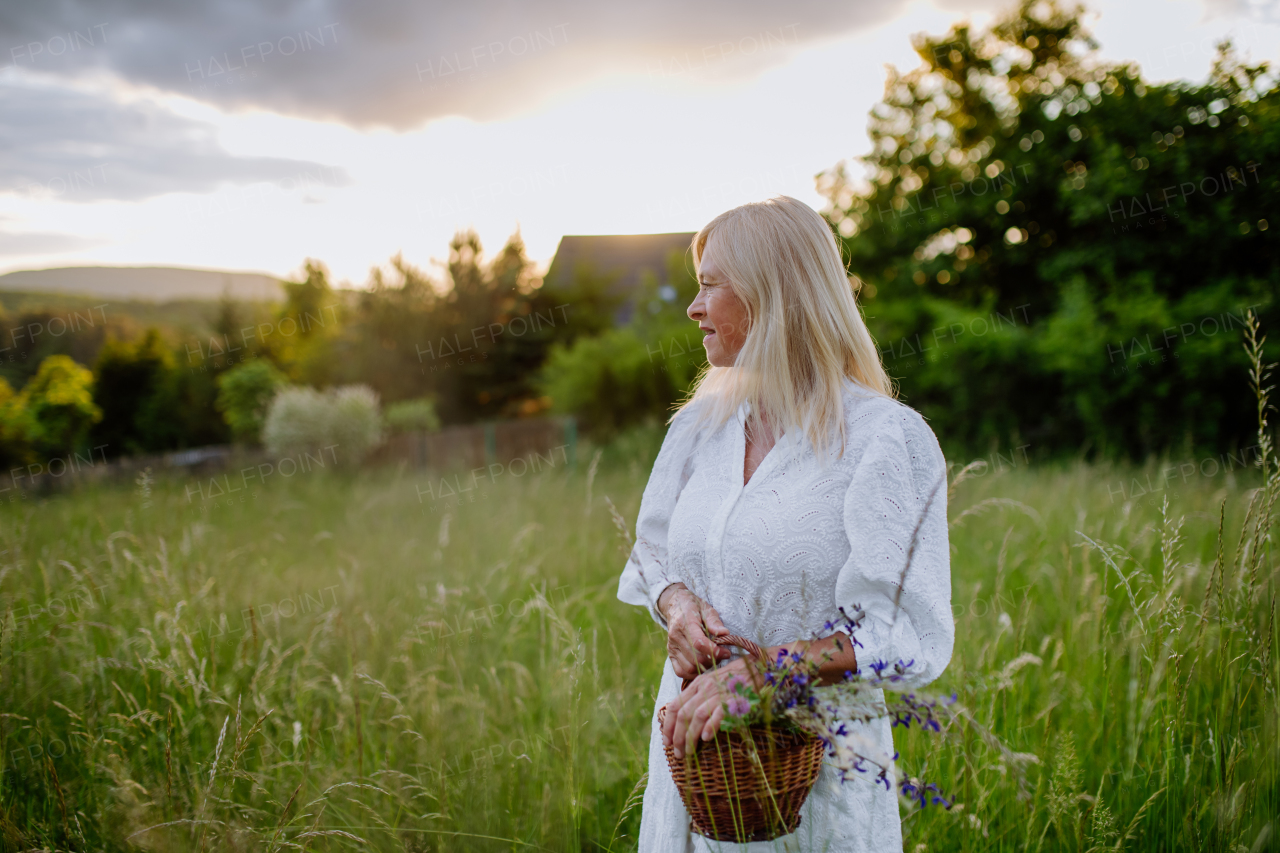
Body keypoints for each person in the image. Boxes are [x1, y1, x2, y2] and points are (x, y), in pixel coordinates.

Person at [617, 196, 953, 852]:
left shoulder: (883, 438)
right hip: (697, 761)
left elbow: (906, 628)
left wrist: (765, 673)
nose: (693, 307)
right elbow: (652, 552)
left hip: (814, 770)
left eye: (711, 285)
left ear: (774, 295)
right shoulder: (696, 428)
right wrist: (678, 604)